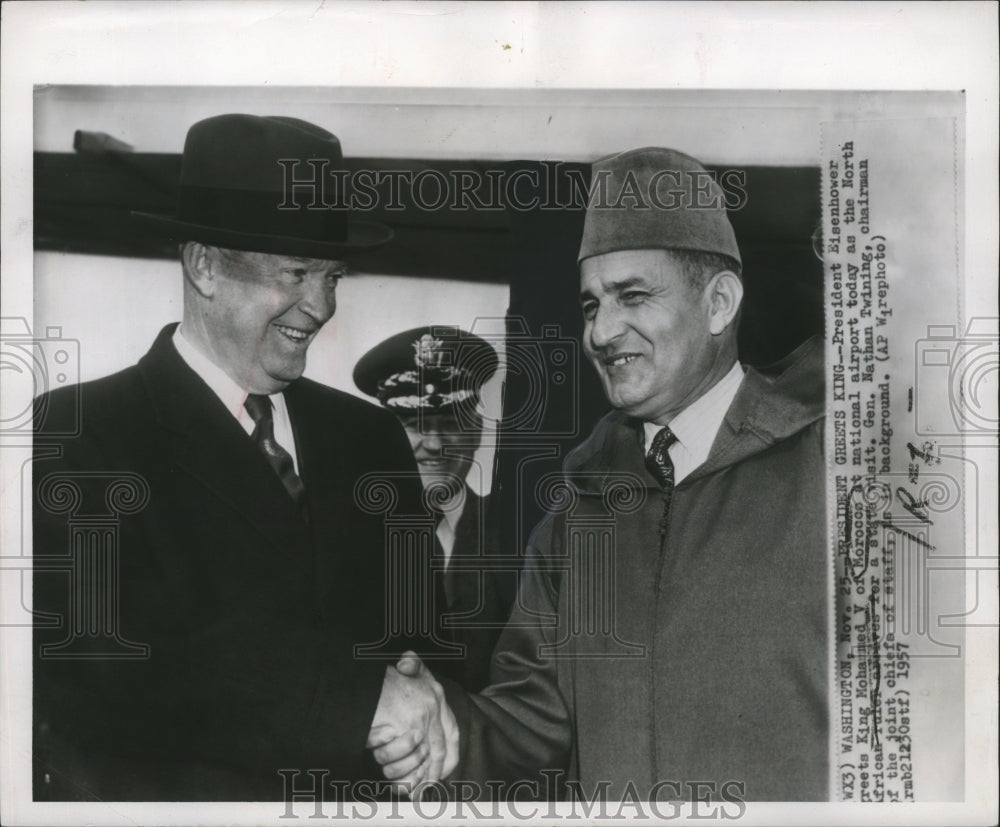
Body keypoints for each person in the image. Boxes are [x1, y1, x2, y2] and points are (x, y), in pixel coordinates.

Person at [371, 147, 829, 801]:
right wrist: (442, 730)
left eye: (632, 296)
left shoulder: (836, 467)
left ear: (720, 303)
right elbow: (530, 723)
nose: (602, 331)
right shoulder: (578, 511)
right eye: (590, 306)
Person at [32, 114, 455, 801]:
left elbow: (424, 640)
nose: (320, 306)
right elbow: (109, 667)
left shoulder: (369, 438)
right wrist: (356, 701)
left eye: (333, 275)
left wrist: (421, 697)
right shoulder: (76, 435)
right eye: (295, 272)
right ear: (203, 264)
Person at [353, 326, 516, 692]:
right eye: (413, 425)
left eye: (449, 424)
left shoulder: (518, 536)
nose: (434, 443)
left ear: (476, 432)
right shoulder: (349, 537)